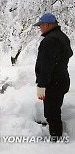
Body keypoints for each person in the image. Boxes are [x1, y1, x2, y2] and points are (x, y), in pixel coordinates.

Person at [34, 13, 73, 141]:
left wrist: (42, 84)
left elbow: (47, 66)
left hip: (53, 83)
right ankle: (56, 134)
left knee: (51, 113)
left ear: (46, 25)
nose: (40, 28)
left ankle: (56, 139)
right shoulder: (62, 37)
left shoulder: (49, 40)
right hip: (61, 80)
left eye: (40, 25)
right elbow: (68, 54)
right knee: (54, 109)